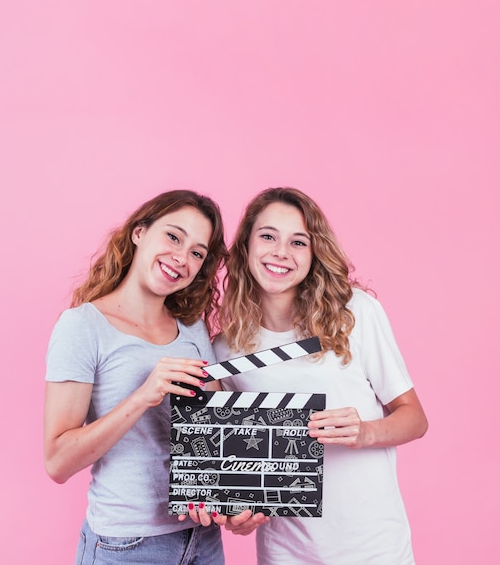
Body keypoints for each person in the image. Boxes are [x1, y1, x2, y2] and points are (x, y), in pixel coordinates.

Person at [213, 187, 428, 565]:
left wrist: (365, 432)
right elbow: (235, 463)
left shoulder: (355, 315)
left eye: (298, 242)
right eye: (267, 236)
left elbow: (414, 417)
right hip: (286, 552)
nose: (280, 252)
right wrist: (238, 513)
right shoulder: (226, 351)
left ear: (314, 255)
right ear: (245, 246)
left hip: (374, 546)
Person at [43, 190, 228, 565]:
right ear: (139, 232)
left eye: (197, 252)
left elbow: (219, 433)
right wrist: (143, 395)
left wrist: (239, 504)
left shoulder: (192, 330)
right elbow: (57, 461)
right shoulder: (83, 327)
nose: (182, 257)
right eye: (173, 236)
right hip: (126, 545)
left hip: (202, 538)